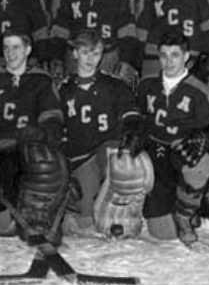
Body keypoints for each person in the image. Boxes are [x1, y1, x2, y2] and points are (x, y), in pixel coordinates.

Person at [123, 31, 209, 246]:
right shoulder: (147, 85)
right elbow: (133, 112)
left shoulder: (198, 89)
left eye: (174, 55)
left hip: (182, 153)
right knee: (163, 233)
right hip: (156, 156)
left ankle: (187, 211)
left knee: (200, 163)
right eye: (163, 55)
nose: (168, 61)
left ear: (186, 56)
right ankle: (180, 204)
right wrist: (134, 130)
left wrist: (204, 138)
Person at [0, 30, 68, 244]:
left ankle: (42, 216)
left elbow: (52, 117)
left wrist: (42, 133)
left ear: (28, 49)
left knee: (45, 160)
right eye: (6, 48)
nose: (10, 53)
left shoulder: (41, 79)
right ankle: (3, 212)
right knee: (4, 227)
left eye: (16, 47)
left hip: (28, 148)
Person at [59, 30, 146, 236]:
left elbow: (129, 112)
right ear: (75, 54)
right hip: (79, 159)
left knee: (125, 162)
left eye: (96, 53)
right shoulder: (62, 89)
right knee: (86, 227)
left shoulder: (114, 85)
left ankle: (124, 210)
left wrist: (133, 127)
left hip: (107, 153)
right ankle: (76, 211)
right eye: (85, 52)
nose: (91, 59)